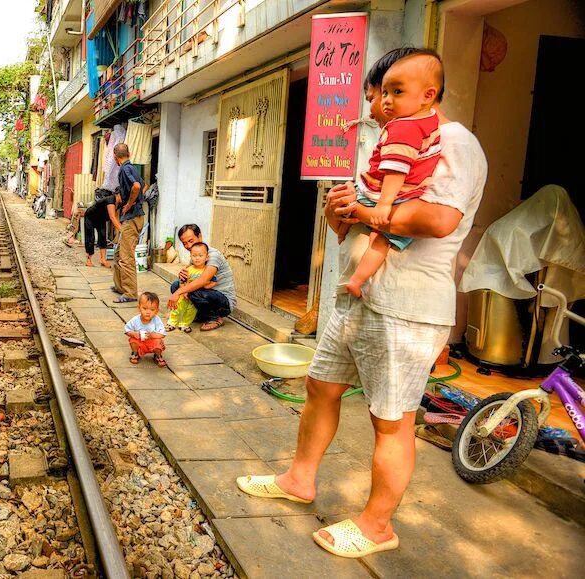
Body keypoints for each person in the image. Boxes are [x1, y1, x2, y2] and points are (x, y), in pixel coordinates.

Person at [235, 48, 487, 559]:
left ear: (420, 94)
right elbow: (356, 222)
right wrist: (340, 213)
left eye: (384, 95)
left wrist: (367, 210)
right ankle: (299, 479)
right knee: (319, 386)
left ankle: (377, 526)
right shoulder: (391, 146)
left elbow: (440, 220)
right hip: (360, 296)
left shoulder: (454, 141)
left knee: (391, 419)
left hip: (406, 305)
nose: (378, 107)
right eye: (381, 95)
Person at [342, 53, 444, 299]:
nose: (386, 101)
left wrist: (371, 206)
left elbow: (397, 167)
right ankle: (356, 280)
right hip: (377, 302)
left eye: (396, 92)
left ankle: (357, 279)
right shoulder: (426, 123)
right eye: (385, 93)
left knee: (380, 239)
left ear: (427, 95)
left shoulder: (404, 127)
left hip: (394, 303)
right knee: (380, 241)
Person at [167, 224, 236, 331]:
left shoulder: (213, 255)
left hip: (222, 301)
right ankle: (199, 314)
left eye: (191, 241)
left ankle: (214, 318)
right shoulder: (195, 254)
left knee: (191, 291)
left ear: (200, 237)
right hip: (205, 294)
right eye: (184, 243)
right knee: (176, 285)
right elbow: (189, 276)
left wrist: (178, 292)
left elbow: (203, 280)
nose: (188, 246)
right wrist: (183, 276)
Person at [111, 143, 145, 303]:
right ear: (129, 153)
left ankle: (130, 293)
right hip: (134, 216)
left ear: (114, 156)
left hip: (132, 217)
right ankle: (120, 287)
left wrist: (129, 204)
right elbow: (143, 186)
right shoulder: (132, 168)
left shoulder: (125, 169)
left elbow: (137, 187)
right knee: (119, 254)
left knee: (126, 257)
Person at [166, 242, 216, 333]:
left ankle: (184, 324)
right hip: (184, 296)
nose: (197, 258)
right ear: (191, 256)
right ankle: (171, 323)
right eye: (194, 255)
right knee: (177, 308)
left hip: (195, 296)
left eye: (200, 255)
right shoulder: (188, 269)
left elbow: (214, 282)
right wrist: (184, 291)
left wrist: (205, 285)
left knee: (191, 311)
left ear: (207, 257)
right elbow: (182, 281)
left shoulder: (207, 271)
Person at [123, 292, 167, 367]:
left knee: (158, 342)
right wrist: (134, 334)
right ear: (139, 308)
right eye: (145, 308)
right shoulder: (135, 320)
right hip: (140, 341)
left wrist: (152, 335)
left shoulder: (157, 320)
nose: (148, 312)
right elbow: (127, 330)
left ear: (156, 311)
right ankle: (135, 353)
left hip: (152, 342)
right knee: (132, 340)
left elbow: (162, 334)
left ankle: (158, 356)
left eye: (152, 310)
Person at [83, 188, 121, 267]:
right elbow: (112, 217)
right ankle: (88, 260)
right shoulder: (110, 200)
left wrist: (118, 227)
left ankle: (103, 259)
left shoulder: (119, 203)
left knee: (103, 237)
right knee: (90, 237)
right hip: (91, 216)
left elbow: (116, 216)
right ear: (118, 194)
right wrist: (122, 230)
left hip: (101, 218)